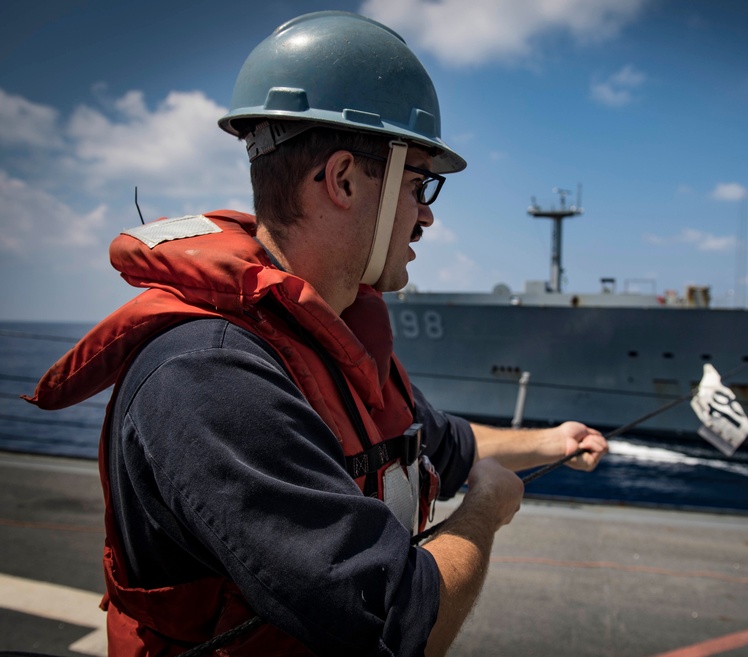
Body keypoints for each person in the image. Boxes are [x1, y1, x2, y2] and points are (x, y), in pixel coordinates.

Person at [25, 11, 606, 657]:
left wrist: (552, 439)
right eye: (418, 182)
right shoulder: (208, 375)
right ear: (344, 180)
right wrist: (484, 512)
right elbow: (395, 623)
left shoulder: (336, 341)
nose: (427, 214)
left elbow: (443, 443)